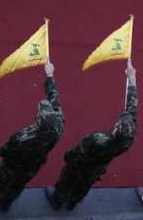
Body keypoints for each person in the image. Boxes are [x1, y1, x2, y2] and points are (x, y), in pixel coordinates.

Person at [46, 61, 138, 210]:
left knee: (68, 178)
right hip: (99, 166)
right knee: (86, 183)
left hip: (83, 163)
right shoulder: (129, 137)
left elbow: (77, 152)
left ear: (116, 129)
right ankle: (73, 203)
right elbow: (132, 105)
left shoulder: (98, 139)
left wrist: (68, 158)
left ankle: (58, 200)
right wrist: (132, 79)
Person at [0, 61, 64, 212]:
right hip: (34, 164)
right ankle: (8, 203)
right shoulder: (58, 125)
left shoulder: (25, 136)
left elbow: (7, 150)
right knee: (19, 184)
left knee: (4, 182)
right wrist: (50, 74)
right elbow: (55, 98)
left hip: (14, 164)